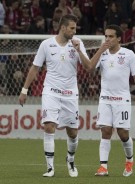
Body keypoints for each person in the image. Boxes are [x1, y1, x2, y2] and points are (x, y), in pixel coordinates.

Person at [19, 14, 90, 178]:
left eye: (75, 28)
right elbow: (35, 68)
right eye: (72, 28)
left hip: (70, 93)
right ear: (63, 27)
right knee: (49, 126)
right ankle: (50, 167)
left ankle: (70, 159)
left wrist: (79, 49)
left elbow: (88, 67)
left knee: (72, 132)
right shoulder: (46, 44)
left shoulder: (77, 43)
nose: (74, 31)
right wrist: (24, 90)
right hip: (51, 91)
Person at [72, 24, 135, 177]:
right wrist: (99, 50)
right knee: (105, 131)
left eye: (111, 36)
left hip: (122, 99)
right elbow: (90, 68)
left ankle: (129, 160)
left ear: (119, 38)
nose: (108, 39)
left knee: (123, 133)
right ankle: (103, 167)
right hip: (105, 98)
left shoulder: (128, 54)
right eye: (106, 36)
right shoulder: (103, 54)